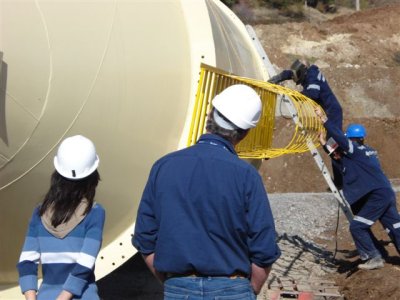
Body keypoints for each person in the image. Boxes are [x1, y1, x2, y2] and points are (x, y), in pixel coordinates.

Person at [132, 84, 281, 299]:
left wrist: (174, 283)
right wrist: (250, 290)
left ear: (209, 114)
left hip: (178, 287)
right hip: (233, 289)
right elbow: (264, 247)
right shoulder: (246, 176)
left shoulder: (164, 167)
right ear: (245, 133)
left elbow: (145, 237)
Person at [17, 135, 105, 300]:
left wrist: (31, 297)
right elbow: (85, 262)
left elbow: (26, 261)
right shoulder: (95, 213)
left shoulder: (39, 213)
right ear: (93, 177)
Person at [315, 108, 400, 270]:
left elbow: (340, 141)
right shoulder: (365, 152)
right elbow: (340, 158)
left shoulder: (353, 150)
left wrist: (324, 120)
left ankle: (373, 258)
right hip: (386, 193)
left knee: (357, 226)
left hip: (377, 195)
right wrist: (324, 144)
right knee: (395, 226)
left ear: (351, 139)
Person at [269, 59, 344, 188]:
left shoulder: (312, 77)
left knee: (334, 145)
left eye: (297, 73)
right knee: (331, 145)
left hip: (332, 114)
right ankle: (340, 180)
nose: (295, 76)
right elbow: (291, 73)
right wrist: (278, 78)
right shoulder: (308, 72)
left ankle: (341, 181)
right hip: (326, 112)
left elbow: (312, 94)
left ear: (303, 70)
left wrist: (293, 95)